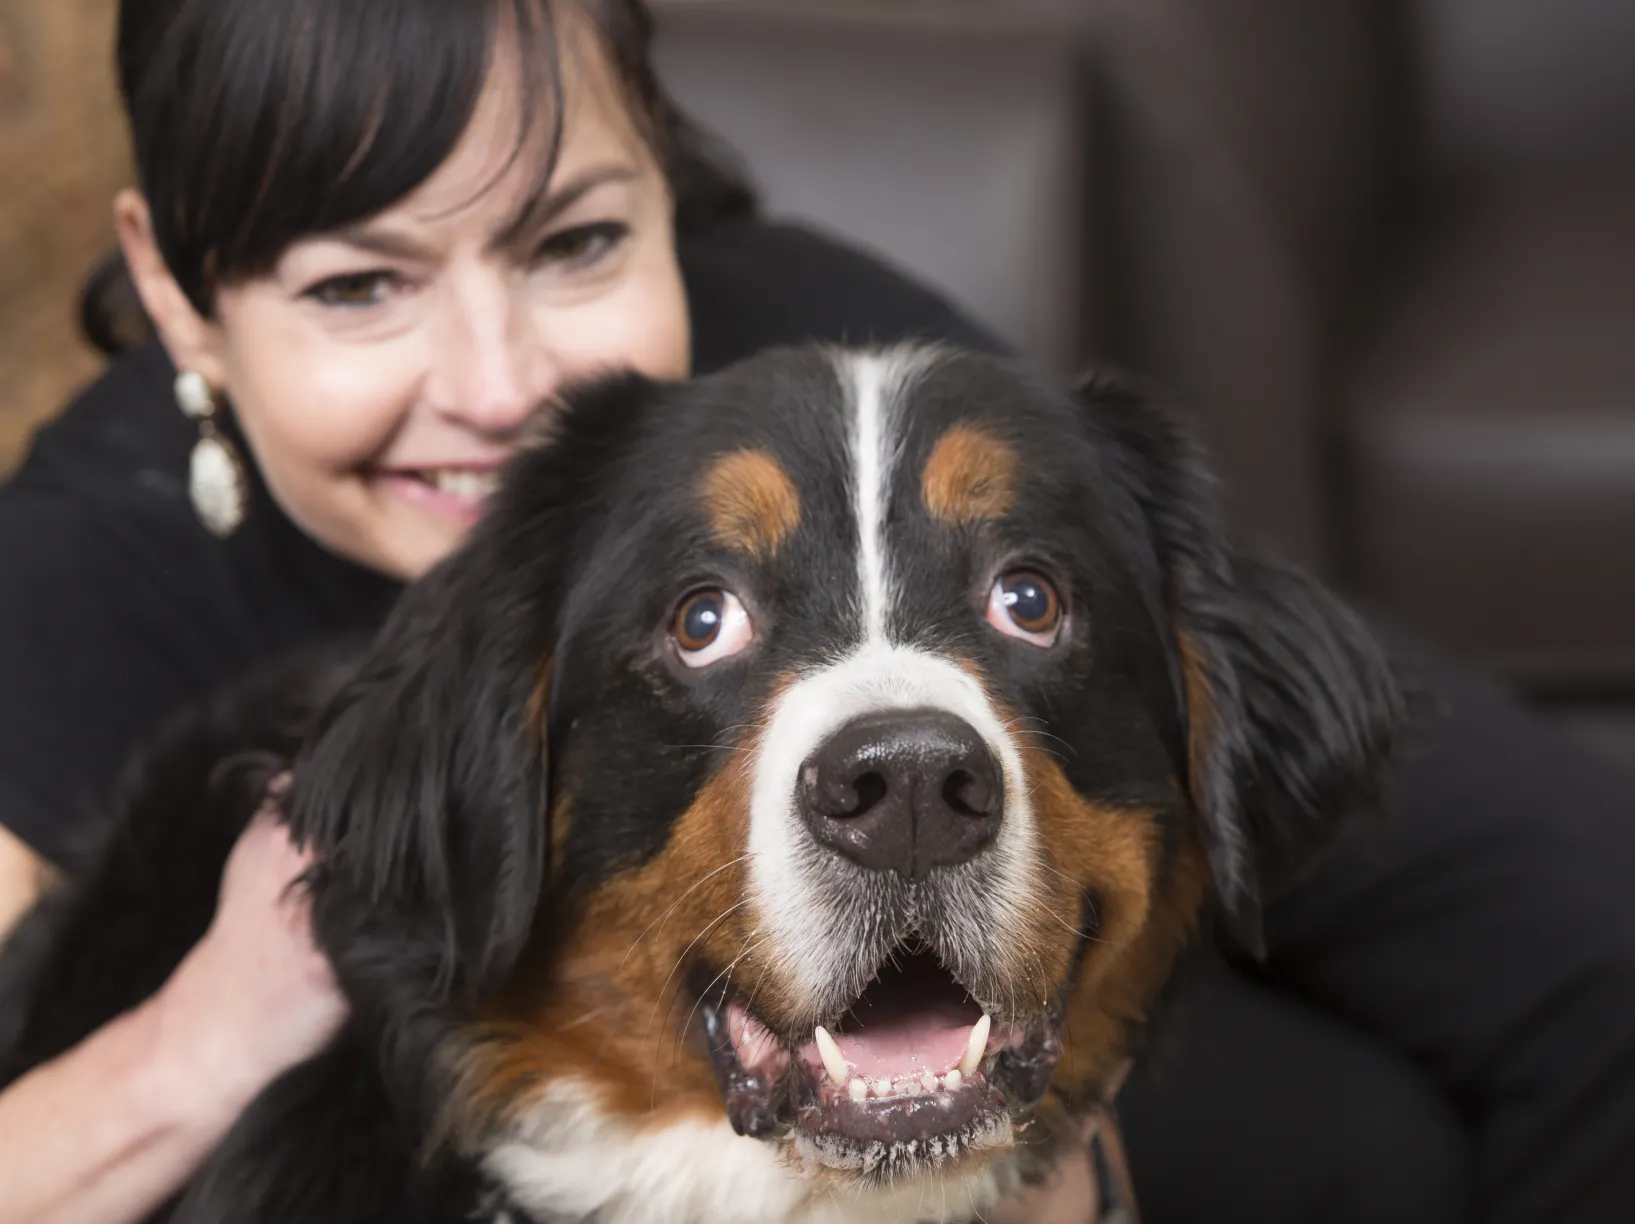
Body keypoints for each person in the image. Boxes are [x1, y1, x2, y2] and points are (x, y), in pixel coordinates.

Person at [0, 1, 1631, 1222]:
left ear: (667, 187)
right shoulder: (76, 578)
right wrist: (203, 1043)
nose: (498, 388)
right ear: (175, 297)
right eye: (359, 284)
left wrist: (1081, 1171)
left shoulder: (856, 360)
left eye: (575, 239)